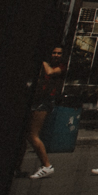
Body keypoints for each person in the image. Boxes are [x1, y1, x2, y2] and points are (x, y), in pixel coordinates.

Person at [23, 46, 65, 179]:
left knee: (32, 135)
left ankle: (47, 166)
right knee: (24, 135)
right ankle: (17, 167)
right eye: (54, 52)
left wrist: (43, 61)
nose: (56, 55)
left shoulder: (62, 66)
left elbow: (50, 72)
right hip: (36, 99)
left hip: (45, 101)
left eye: (59, 53)